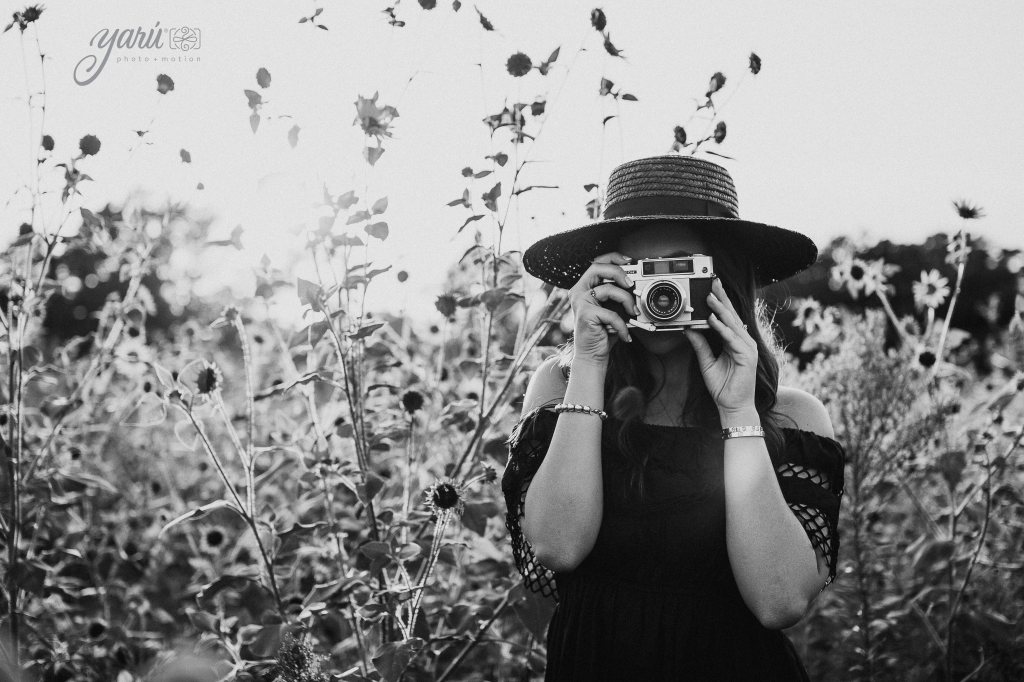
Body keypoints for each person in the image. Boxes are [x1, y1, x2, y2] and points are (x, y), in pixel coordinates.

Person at [501, 155, 847, 681]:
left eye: (682, 270)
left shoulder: (792, 416)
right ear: (605, 279)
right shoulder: (562, 386)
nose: (660, 294)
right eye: (638, 274)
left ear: (723, 277)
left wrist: (739, 412)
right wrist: (591, 359)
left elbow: (779, 602)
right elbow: (558, 546)